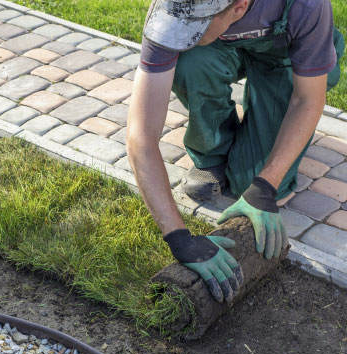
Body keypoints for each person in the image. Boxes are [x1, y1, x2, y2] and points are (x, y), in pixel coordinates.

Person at [126, 0, 344, 303]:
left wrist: (265, 187)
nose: (179, 32)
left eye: (194, 26)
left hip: (285, 56)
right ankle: (212, 155)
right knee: (189, 60)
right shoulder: (172, 10)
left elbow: (307, 100)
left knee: (252, 183)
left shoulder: (306, 5)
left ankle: (263, 112)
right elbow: (141, 136)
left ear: (239, 7)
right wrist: (178, 237)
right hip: (221, 46)